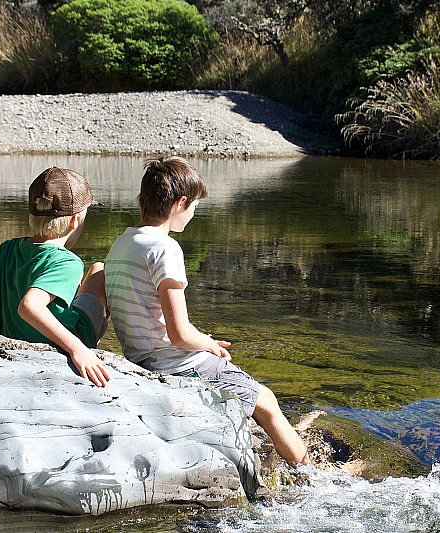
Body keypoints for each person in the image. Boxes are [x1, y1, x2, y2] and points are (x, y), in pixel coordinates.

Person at [105, 156, 308, 465]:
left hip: (141, 360)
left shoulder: (122, 242)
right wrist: (210, 344)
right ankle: (312, 474)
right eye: (195, 207)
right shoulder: (164, 249)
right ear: (180, 203)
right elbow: (179, 334)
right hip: (175, 365)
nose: (194, 213)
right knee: (266, 401)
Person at [0, 167, 110, 388]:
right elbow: (29, 306)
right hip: (63, 345)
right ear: (75, 221)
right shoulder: (67, 262)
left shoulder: (9, 248)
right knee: (100, 271)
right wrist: (77, 349)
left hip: (13, 343)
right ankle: (92, 344)